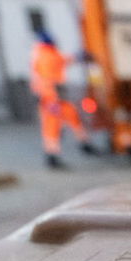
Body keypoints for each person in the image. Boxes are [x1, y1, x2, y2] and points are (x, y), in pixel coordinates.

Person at [29, 31, 89, 168]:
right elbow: (49, 76)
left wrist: (76, 57)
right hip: (51, 97)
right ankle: (52, 156)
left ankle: (84, 143)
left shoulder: (43, 54)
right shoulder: (46, 56)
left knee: (72, 116)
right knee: (53, 126)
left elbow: (62, 60)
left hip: (53, 96)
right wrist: (77, 57)